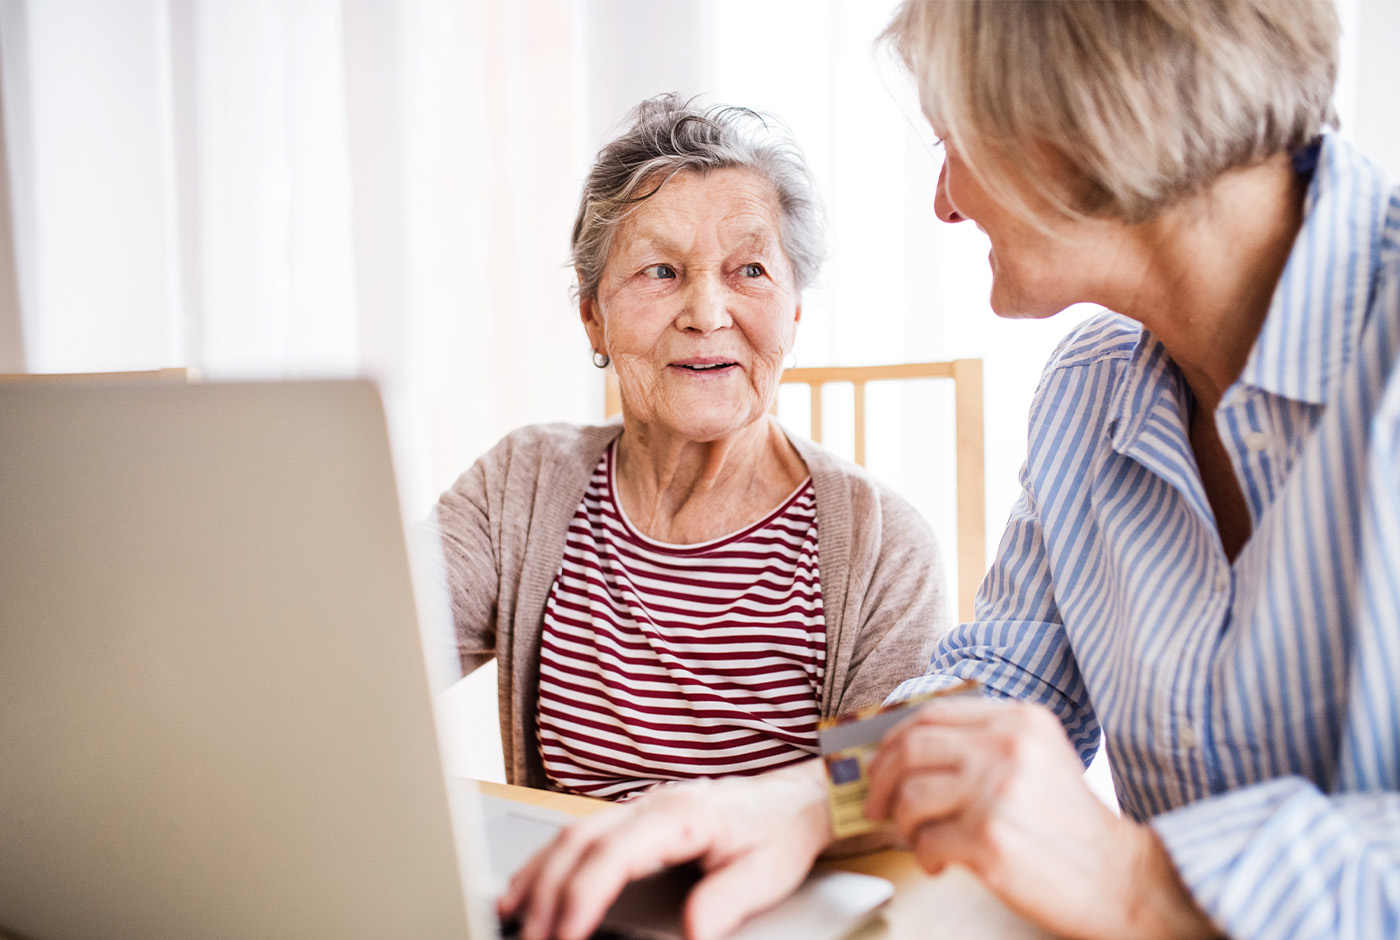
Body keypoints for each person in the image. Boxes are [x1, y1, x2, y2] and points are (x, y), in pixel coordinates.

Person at [499, 2, 1400, 939]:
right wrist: (793, 803)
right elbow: (1002, 682)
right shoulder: (1093, 393)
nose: (944, 199)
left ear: (1085, 118)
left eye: (952, 139)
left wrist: (1137, 881)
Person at [432, 94, 947, 801]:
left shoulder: (885, 545)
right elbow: (366, 649)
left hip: (772, 902)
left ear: (794, 313)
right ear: (593, 316)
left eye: (751, 271)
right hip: (571, 899)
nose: (706, 314)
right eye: (661, 271)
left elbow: (888, 798)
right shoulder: (520, 483)